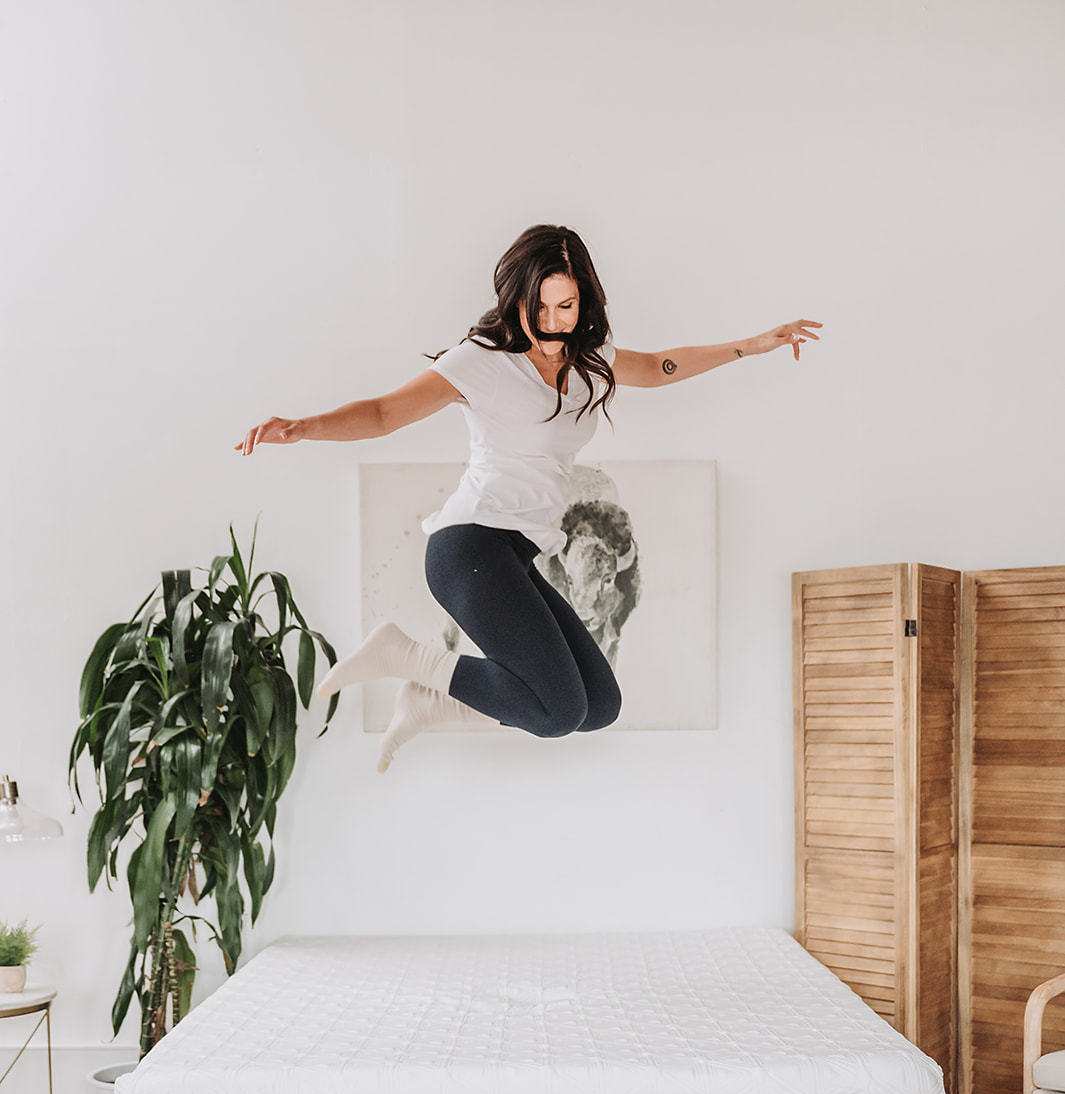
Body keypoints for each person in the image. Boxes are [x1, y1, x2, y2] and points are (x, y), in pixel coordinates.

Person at [234, 223, 822, 772]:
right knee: (559, 710)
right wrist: (304, 426)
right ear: (516, 297)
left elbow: (662, 368)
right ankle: (405, 657)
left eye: (564, 306)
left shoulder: (593, 365)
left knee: (598, 707)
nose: (549, 319)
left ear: (583, 303)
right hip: (468, 548)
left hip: (515, 553)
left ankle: (430, 700)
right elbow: (387, 412)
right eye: (537, 305)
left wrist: (752, 344)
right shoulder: (484, 362)